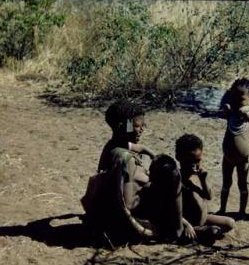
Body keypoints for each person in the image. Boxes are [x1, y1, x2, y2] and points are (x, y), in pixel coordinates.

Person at [81, 99, 196, 245]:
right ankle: (178, 230)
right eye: (136, 126)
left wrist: (152, 155)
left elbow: (139, 148)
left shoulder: (113, 145)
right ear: (124, 126)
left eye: (142, 126)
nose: (141, 130)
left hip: (106, 210)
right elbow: (128, 204)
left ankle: (185, 223)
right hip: (122, 220)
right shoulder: (127, 159)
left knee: (151, 165)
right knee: (172, 178)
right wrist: (149, 189)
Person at [175, 134, 235, 236]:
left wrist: (203, 180)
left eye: (197, 161)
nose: (194, 165)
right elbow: (172, 210)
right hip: (188, 222)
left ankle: (202, 230)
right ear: (179, 157)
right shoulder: (176, 181)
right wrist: (186, 225)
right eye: (190, 160)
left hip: (204, 218)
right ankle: (195, 231)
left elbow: (209, 196)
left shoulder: (198, 176)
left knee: (230, 223)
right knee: (213, 232)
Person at [218, 78, 249, 217]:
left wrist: (246, 111)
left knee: (242, 184)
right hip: (227, 157)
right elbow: (223, 112)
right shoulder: (232, 113)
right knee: (226, 184)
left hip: (243, 160)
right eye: (234, 97)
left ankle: (242, 211)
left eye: (240, 98)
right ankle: (222, 209)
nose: (236, 100)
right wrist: (227, 108)